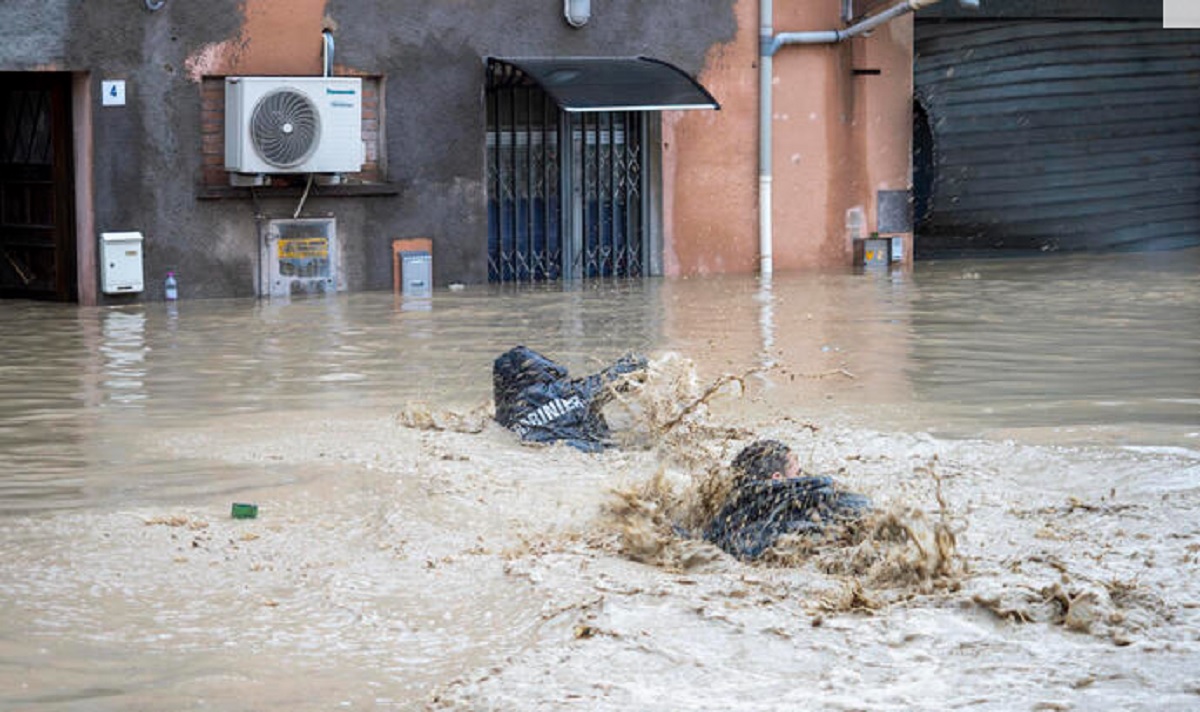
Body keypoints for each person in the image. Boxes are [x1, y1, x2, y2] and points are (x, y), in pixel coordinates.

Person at [702, 439, 870, 560]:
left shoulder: (723, 522)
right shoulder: (807, 499)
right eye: (798, 474)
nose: (803, 477)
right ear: (777, 478)